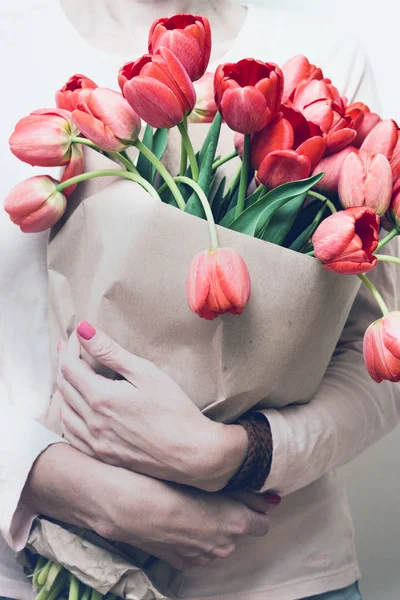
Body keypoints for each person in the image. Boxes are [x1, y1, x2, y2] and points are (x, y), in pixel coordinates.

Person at [0, 1, 399, 600]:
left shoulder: (321, 51)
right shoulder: (13, 40)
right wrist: (58, 482)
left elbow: (381, 369)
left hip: (281, 575)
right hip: (31, 567)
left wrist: (239, 455)